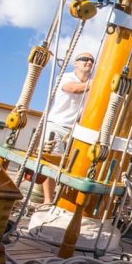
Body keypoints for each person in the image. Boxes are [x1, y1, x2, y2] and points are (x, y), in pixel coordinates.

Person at [43, 52, 94, 204]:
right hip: (57, 126)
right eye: (84, 59)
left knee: (73, 167)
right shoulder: (66, 77)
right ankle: (47, 201)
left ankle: (63, 201)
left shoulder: (92, 84)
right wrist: (99, 83)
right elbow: (73, 89)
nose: (88, 62)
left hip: (76, 132)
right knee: (52, 163)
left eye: (91, 60)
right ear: (76, 63)